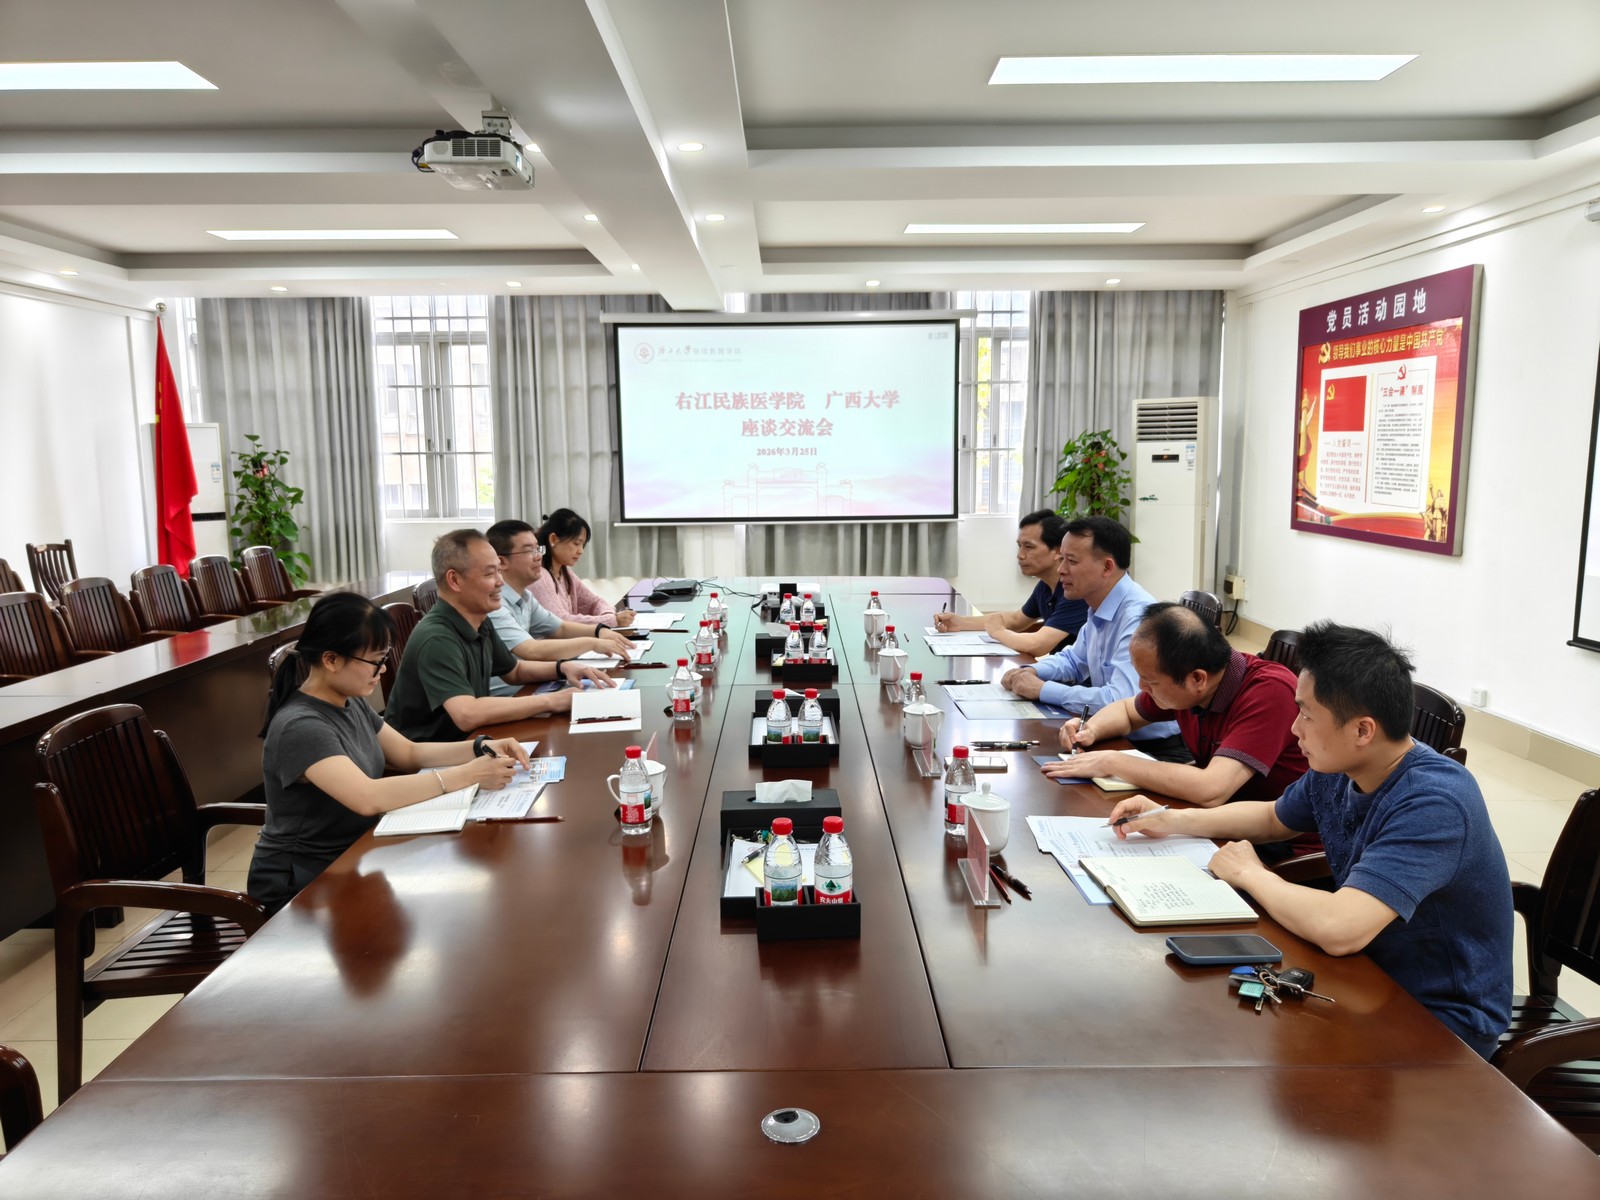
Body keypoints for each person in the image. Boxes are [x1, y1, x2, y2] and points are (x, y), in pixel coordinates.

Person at [1106, 621, 1512, 1059]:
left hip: (1439, 1020)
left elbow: (1340, 929)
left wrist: (1251, 874)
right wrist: (1170, 820)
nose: (1295, 728)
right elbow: (1272, 817)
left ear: (1362, 730)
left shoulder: (1434, 803)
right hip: (1365, 976)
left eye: (1306, 714)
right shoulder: (1341, 765)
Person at [248, 592, 532, 915]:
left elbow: (408, 752)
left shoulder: (348, 701)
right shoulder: (300, 726)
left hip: (356, 853)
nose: (382, 670)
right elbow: (367, 797)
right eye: (375, 661)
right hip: (303, 882)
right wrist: (468, 774)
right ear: (331, 660)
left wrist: (480, 746)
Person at [1045, 602, 1307, 807]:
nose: (1141, 687)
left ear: (1197, 679)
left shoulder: (1270, 692)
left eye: (1151, 681)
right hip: (1219, 818)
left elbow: (1211, 789)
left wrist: (1112, 762)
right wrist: (1090, 729)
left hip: (1275, 845)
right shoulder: (1195, 682)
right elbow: (1126, 711)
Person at [384, 529, 615, 741]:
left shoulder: (479, 620)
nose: (500, 582)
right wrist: (550, 701)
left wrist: (563, 668)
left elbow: (514, 671)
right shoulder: (437, 637)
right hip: (432, 756)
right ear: (454, 580)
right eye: (489, 574)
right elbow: (466, 714)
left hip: (470, 741)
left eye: (499, 571)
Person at [998, 516, 1188, 762]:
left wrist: (1043, 690)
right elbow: (1074, 660)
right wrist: (1030, 672)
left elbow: (1119, 700)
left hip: (1154, 749)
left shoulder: (1139, 618)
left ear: (1107, 567)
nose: (1061, 569)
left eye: (1071, 561)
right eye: (1061, 559)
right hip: (1111, 736)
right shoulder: (1099, 603)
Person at [484, 519, 635, 697]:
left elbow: (560, 627)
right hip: (512, 697)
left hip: (536, 684)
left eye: (538, 549)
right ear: (502, 562)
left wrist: (599, 631)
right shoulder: (494, 605)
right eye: (529, 551)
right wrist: (592, 642)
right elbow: (530, 649)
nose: (538, 556)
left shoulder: (525, 596)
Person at [932, 509, 1086, 653]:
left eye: (1029, 547)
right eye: (1019, 546)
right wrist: (961, 622)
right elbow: (1016, 620)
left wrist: (998, 632)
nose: (1020, 555)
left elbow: (1037, 646)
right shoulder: (1045, 586)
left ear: (1058, 551)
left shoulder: (1075, 591)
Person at [527, 508, 634, 627]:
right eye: (576, 543)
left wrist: (609, 615)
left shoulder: (565, 572)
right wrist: (612, 620)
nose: (581, 551)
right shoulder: (540, 575)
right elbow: (560, 622)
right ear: (553, 539)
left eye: (583, 545)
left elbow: (595, 602)